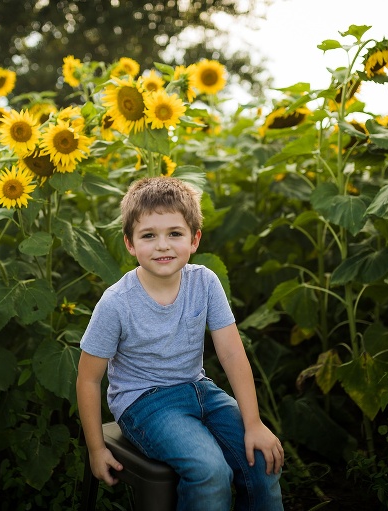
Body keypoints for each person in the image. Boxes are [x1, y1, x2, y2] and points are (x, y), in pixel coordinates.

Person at [76, 176, 284, 511]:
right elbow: (88, 378)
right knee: (209, 470)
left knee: (260, 456)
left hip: (199, 389)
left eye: (175, 233)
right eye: (148, 236)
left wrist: (254, 422)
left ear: (194, 239)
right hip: (144, 403)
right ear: (130, 243)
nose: (163, 245)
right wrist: (95, 448)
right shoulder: (116, 302)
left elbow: (231, 352)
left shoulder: (204, 282)